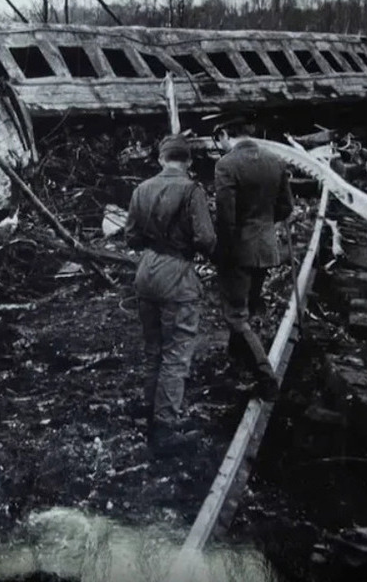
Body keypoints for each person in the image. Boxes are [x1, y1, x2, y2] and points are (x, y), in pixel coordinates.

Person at [124, 134, 216, 457]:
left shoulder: (141, 189)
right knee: (177, 351)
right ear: (188, 161)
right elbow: (206, 238)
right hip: (177, 274)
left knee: (153, 348)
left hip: (145, 273)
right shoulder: (193, 190)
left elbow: (131, 237)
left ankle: (150, 408)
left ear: (161, 159)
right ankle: (165, 424)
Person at [213, 115, 293, 401]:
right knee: (247, 306)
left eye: (218, 139)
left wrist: (222, 251)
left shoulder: (226, 165)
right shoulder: (276, 160)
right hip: (267, 248)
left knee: (235, 314)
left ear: (224, 134)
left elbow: (225, 218)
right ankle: (236, 360)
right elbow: (287, 206)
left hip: (239, 251)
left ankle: (265, 376)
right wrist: (264, 226)